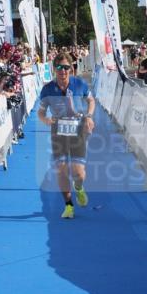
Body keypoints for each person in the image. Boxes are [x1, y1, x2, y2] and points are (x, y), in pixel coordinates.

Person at [37, 52, 96, 219]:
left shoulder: (79, 84)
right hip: (58, 132)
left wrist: (89, 116)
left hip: (78, 131)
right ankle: (69, 205)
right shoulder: (47, 89)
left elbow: (91, 101)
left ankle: (78, 187)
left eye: (66, 67)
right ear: (54, 69)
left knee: (79, 173)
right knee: (61, 170)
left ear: (71, 68)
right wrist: (46, 120)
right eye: (59, 67)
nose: (63, 71)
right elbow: (41, 112)